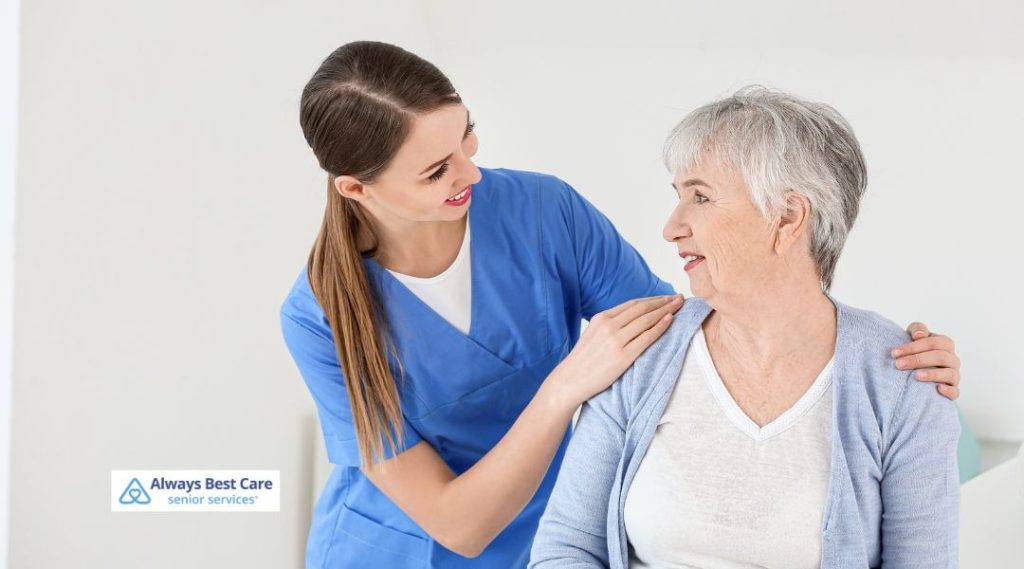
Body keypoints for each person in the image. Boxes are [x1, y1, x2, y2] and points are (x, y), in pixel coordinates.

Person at [280, 42, 962, 569]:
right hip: (403, 544)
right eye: (436, 170)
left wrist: (884, 359)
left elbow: (686, 334)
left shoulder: (543, 213)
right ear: (357, 189)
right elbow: (457, 524)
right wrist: (563, 388)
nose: (472, 171)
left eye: (467, 137)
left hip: (540, 531)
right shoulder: (319, 313)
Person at [529, 88, 960, 569]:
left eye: (701, 197)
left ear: (787, 218)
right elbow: (566, 548)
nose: (671, 227)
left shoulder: (906, 380)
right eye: (678, 197)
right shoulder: (640, 351)